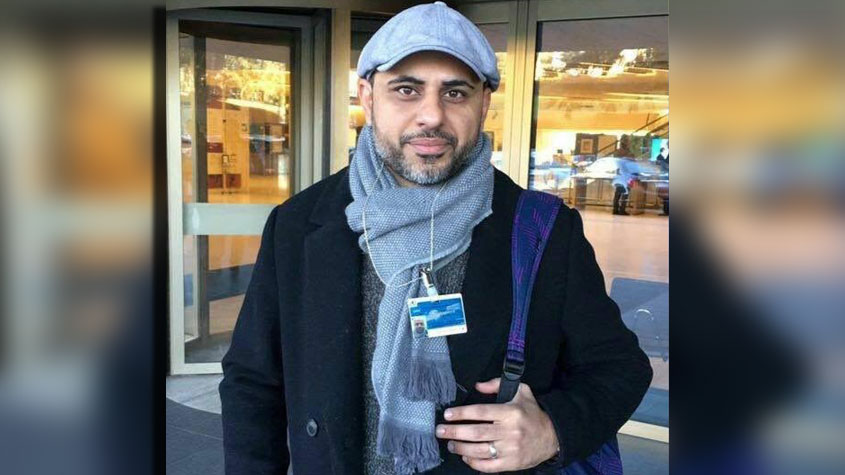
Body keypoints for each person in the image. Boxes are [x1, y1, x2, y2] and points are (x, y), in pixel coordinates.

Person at [219, 3, 652, 474]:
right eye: (406, 89)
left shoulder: (542, 230)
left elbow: (620, 366)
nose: (431, 115)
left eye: (455, 92)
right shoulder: (298, 224)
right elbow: (252, 381)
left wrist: (552, 429)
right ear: (367, 96)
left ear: (483, 103)